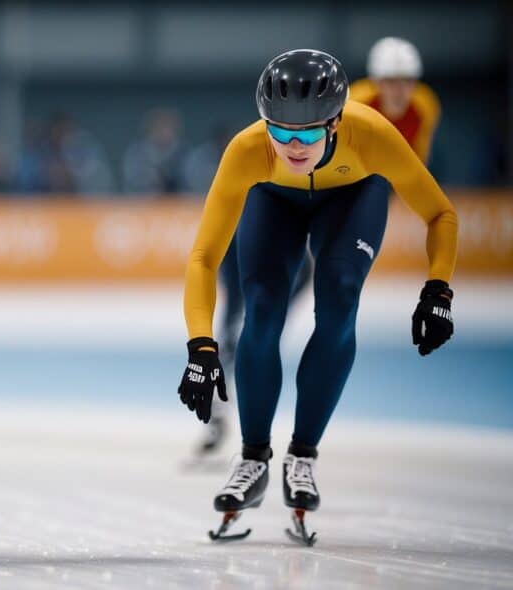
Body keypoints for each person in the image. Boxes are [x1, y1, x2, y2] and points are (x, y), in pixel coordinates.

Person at [176, 49, 458, 545]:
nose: (293, 146)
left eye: (306, 134)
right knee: (262, 308)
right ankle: (253, 459)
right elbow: (202, 258)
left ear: (335, 124)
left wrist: (439, 287)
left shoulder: (371, 134)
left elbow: (441, 214)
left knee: (340, 297)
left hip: (351, 197)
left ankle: (302, 456)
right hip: (275, 200)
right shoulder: (248, 151)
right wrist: (200, 346)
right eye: (280, 131)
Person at [350, 37, 440, 165]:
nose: (400, 90)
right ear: (377, 83)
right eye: (391, 82)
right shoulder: (356, 103)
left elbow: (419, 158)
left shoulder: (425, 104)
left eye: (407, 81)